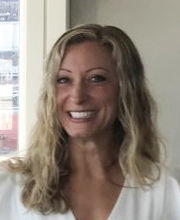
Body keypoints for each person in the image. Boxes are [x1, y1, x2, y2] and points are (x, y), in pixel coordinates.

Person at [0, 24, 180, 220]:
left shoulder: (169, 190)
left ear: (126, 90)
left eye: (96, 78)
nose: (77, 96)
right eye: (63, 80)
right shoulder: (9, 187)